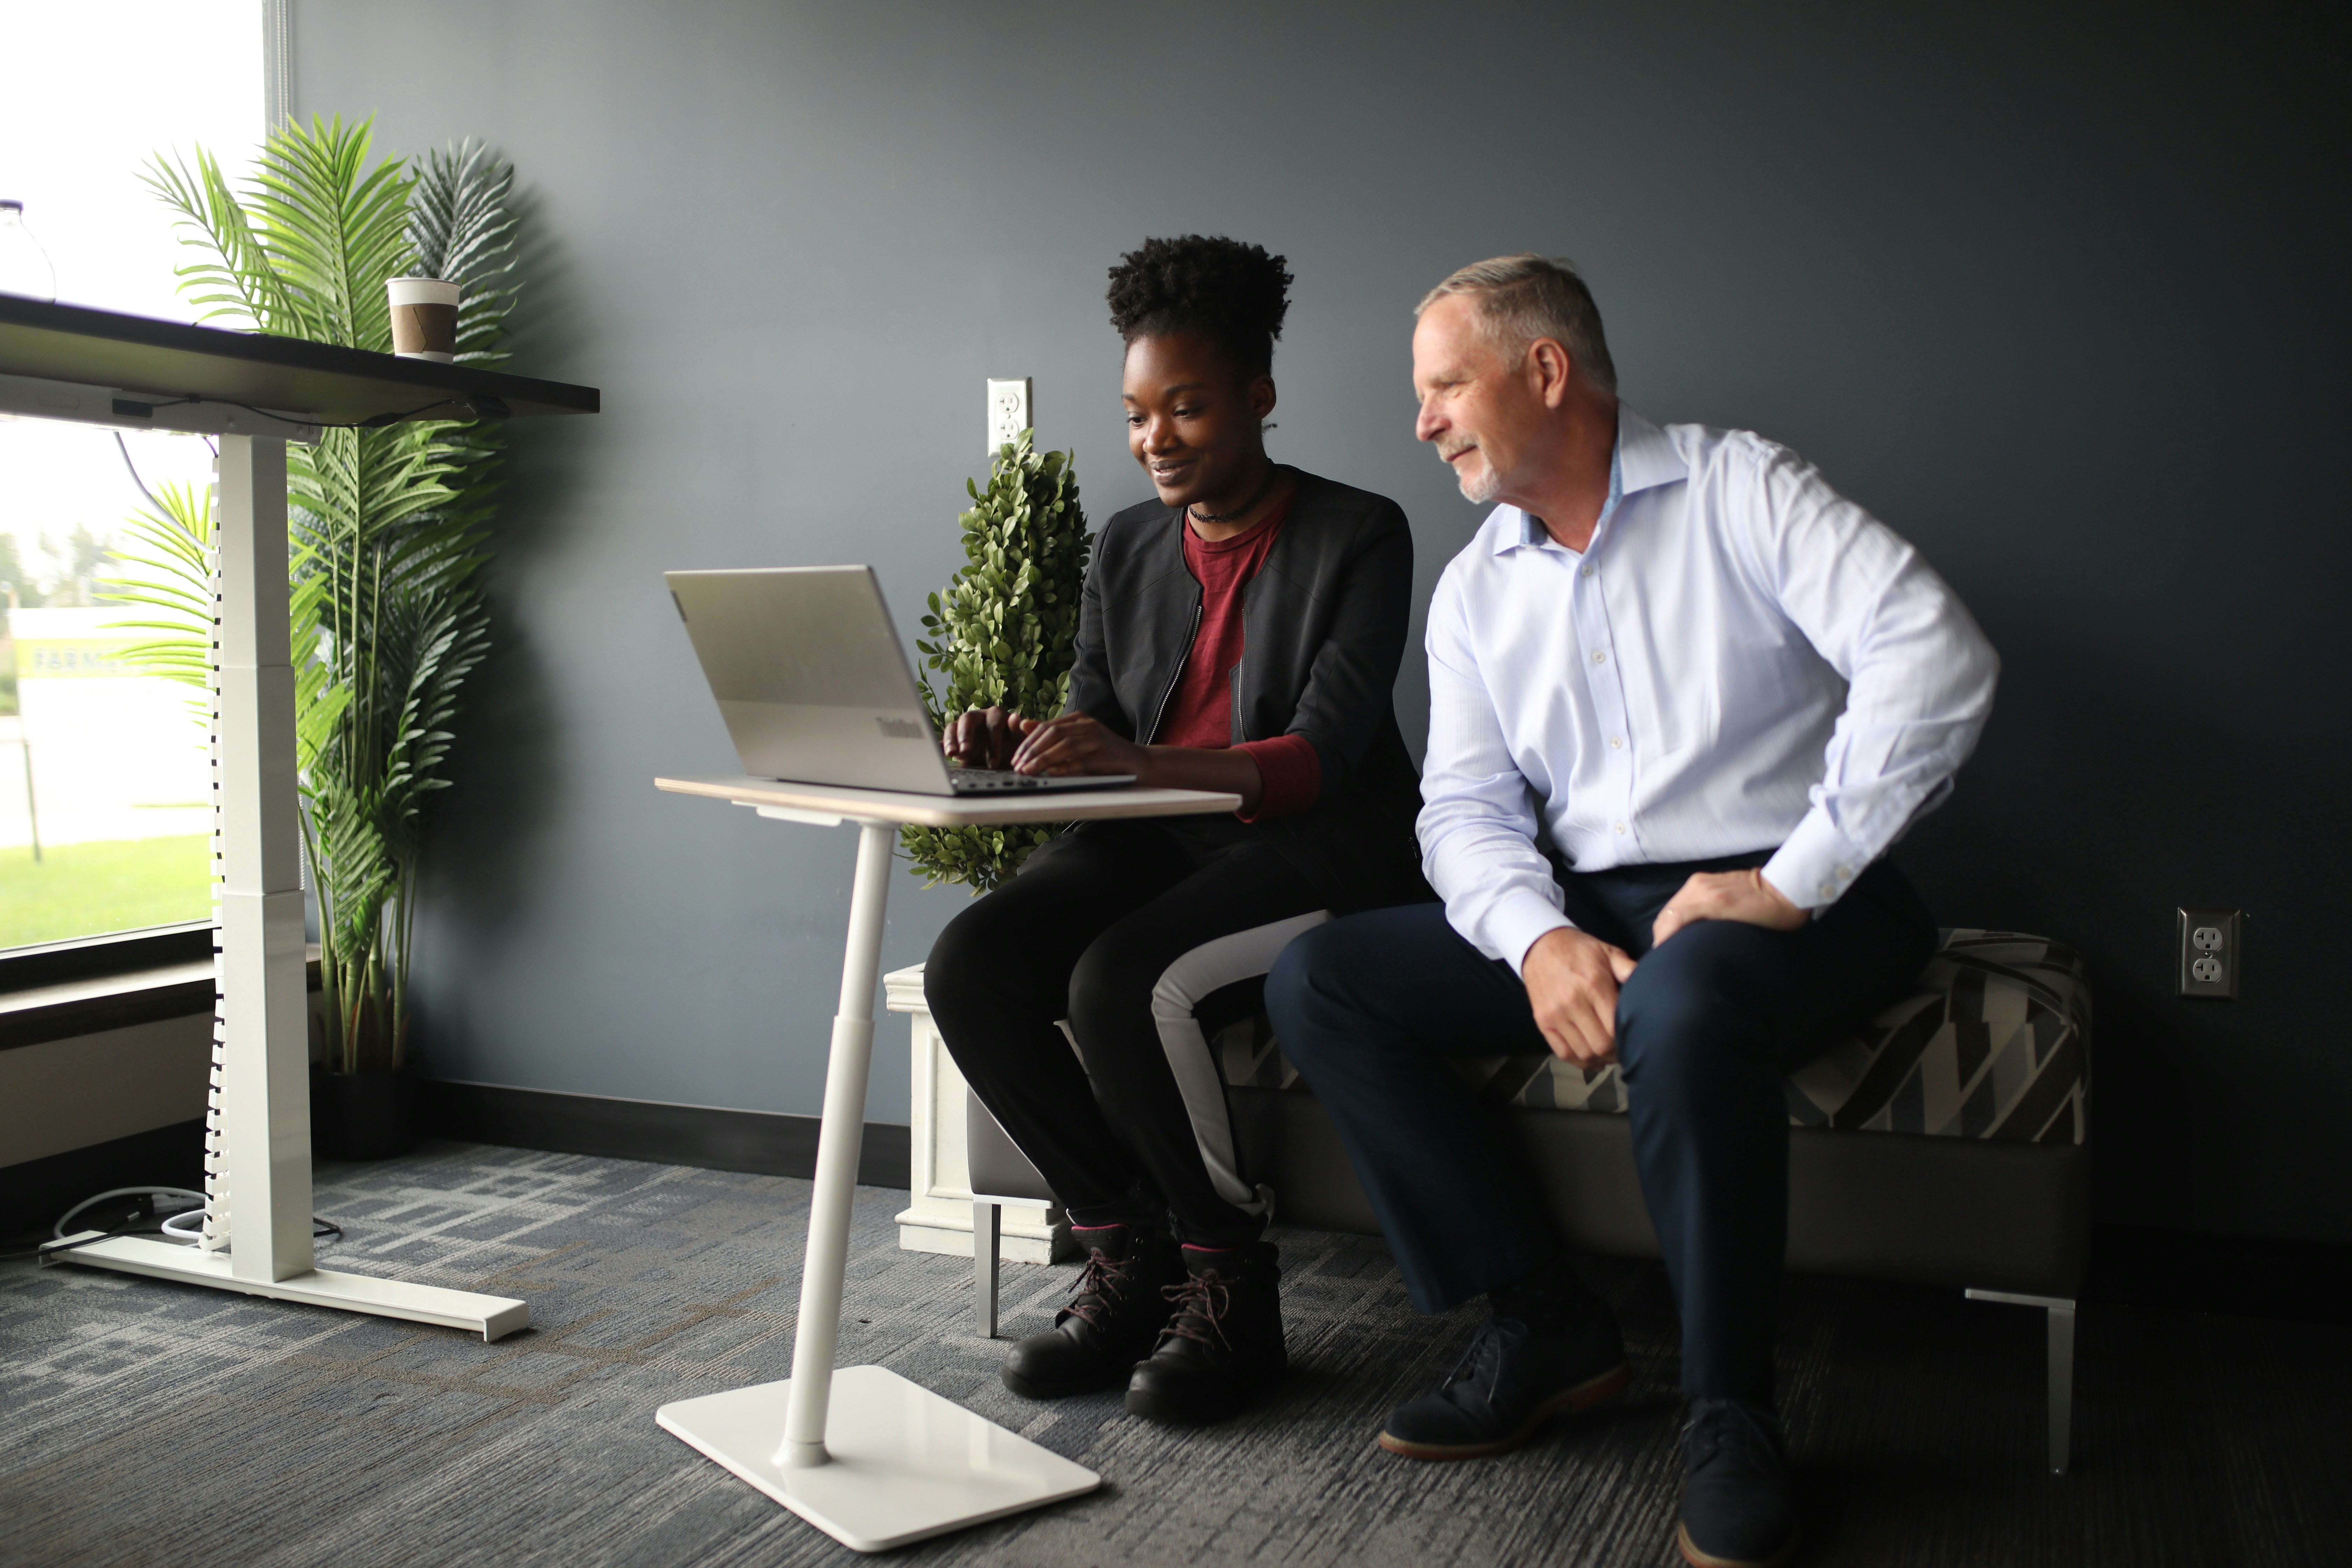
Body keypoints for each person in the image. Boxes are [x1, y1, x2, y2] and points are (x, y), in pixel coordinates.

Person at [1264, 255, 1997, 1567]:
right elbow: (1465, 812)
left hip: (1808, 895)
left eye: (1444, 387)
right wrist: (1538, 938)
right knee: (1322, 980)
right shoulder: (1478, 588)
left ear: (1544, 371)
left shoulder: (1742, 488)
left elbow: (1934, 655)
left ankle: (1733, 1412)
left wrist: (1787, 881)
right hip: (1594, 905)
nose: (1422, 422)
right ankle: (1546, 1320)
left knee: (1684, 995)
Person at [923, 234, 1426, 1424]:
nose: (1156, 438)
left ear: (1258, 395)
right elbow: (1097, 723)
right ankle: (1123, 1247)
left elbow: (1318, 759)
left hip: (1315, 849)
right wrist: (1024, 753)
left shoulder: (1362, 534)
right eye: (1140, 413)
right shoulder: (1128, 545)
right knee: (972, 965)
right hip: (1151, 839)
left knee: (1119, 981)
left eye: (1187, 408)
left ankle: (1231, 1285)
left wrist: (1135, 758)